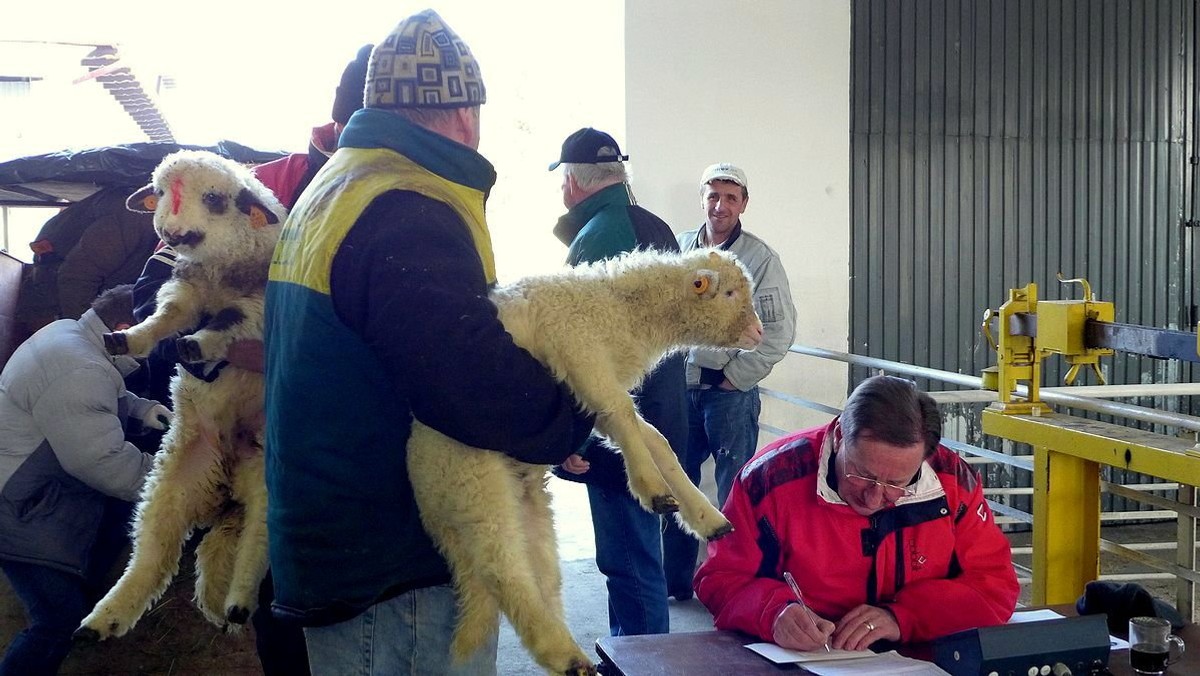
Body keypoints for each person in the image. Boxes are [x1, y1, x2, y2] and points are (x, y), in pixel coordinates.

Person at [263, 10, 595, 676]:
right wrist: (570, 420)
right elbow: (467, 378)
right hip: (396, 565)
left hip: (335, 543)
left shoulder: (336, 189)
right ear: (465, 114)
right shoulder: (407, 205)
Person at [123, 43, 374, 676]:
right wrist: (232, 351)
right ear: (346, 122)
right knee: (283, 615)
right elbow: (155, 281)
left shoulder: (398, 198)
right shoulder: (266, 185)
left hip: (344, 455)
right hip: (254, 421)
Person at [694, 375, 1019, 651]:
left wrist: (903, 616)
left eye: (897, 483)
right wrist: (773, 612)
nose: (875, 497)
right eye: (862, 474)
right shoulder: (769, 479)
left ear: (926, 458)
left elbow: (995, 587)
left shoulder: (953, 480)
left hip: (920, 653)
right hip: (803, 656)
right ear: (838, 436)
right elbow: (718, 579)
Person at [548, 127, 687, 636]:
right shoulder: (655, 225)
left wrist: (578, 435)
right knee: (638, 559)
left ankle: (643, 663)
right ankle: (635, 659)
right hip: (659, 416)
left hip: (620, 432)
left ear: (573, 180)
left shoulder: (600, 235)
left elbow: (589, 353)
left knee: (628, 564)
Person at [0, 284, 165, 676]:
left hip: (26, 483)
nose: (157, 347)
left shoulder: (70, 334)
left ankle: (86, 586)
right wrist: (173, 483)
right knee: (57, 621)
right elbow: (104, 464)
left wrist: (144, 410)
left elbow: (100, 391)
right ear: (125, 328)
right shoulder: (81, 368)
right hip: (21, 508)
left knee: (116, 516)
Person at [662, 162, 797, 601]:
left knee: (735, 488)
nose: (720, 206)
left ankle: (730, 584)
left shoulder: (760, 259)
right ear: (702, 198)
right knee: (676, 483)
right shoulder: (679, 247)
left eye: (731, 197)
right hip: (680, 388)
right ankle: (676, 581)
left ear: (744, 204)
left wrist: (736, 377)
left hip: (728, 393)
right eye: (713, 196)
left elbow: (778, 330)